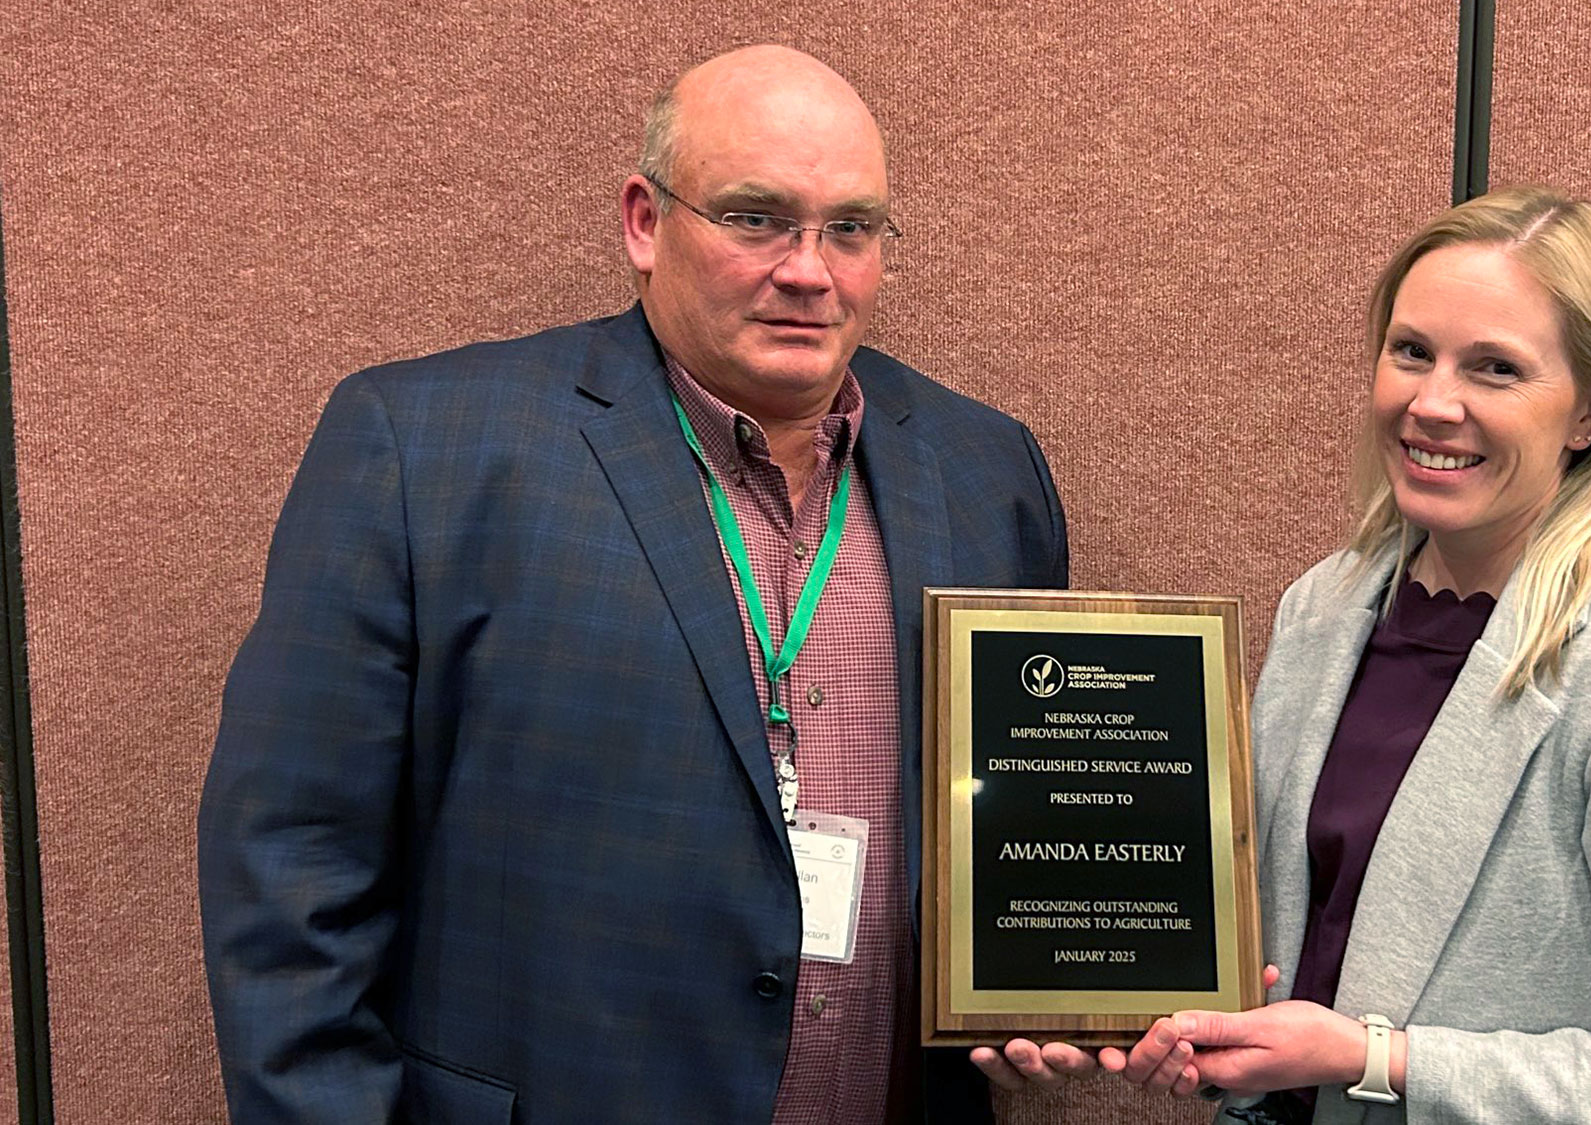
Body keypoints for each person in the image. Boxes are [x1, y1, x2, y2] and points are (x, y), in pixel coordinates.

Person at [198, 45, 1067, 1124]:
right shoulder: (426, 448)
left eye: (850, 227)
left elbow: (1032, 807)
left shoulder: (988, 472)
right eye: (756, 218)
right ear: (644, 222)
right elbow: (294, 865)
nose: (810, 269)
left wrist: (1071, 976)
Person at [979, 186, 1591, 1123]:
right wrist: (1082, 998)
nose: (1432, 402)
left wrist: (1377, 1057)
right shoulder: (1323, 611)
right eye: (1412, 351)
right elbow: (1262, 954)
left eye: (1495, 368)